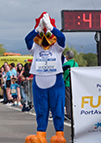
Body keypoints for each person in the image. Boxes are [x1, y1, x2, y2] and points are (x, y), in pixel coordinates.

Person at [25, 12, 67, 143]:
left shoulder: (57, 48)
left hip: (56, 82)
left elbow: (62, 38)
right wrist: (37, 29)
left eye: (47, 35)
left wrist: (50, 28)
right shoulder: (35, 47)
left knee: (57, 109)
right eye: (41, 35)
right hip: (39, 82)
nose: (44, 39)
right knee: (41, 110)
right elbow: (27, 39)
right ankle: (41, 134)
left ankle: (59, 133)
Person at [62, 50, 78, 121]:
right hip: (74, 83)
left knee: (68, 99)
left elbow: (61, 71)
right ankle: (76, 113)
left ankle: (69, 114)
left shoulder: (66, 64)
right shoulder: (76, 64)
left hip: (67, 83)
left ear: (67, 56)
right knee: (74, 99)